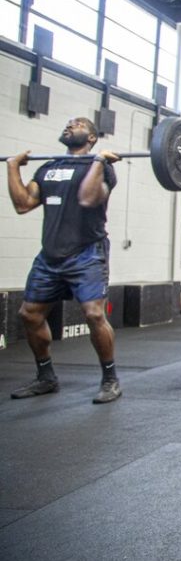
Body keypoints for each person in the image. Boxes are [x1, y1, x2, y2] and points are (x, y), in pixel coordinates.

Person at [6, 117, 122, 403]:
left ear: (92, 137)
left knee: (94, 314)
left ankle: (110, 379)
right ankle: (46, 378)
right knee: (29, 314)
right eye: (68, 123)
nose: (70, 125)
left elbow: (87, 198)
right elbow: (23, 204)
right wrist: (11, 168)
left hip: (87, 252)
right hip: (51, 255)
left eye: (79, 124)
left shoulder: (104, 169)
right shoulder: (48, 168)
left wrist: (97, 162)